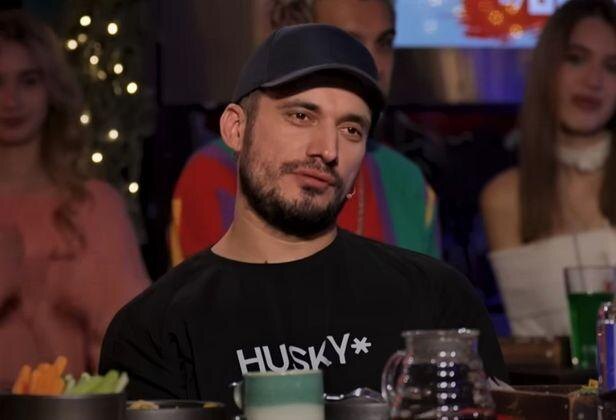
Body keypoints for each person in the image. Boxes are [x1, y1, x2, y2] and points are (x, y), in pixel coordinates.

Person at [100, 24, 506, 411]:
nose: (327, 149)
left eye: (351, 130)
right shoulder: (155, 329)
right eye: (301, 116)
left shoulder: (436, 301)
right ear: (236, 128)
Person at [169, 0, 439, 266]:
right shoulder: (215, 172)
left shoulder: (409, 184)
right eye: (348, 42)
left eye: (384, 43)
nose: (375, 64)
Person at [0, 10, 149, 389]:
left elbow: (140, 347)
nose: (11, 100)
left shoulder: (95, 207)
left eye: (28, 81)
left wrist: (88, 305)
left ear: (50, 89)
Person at [481, 0, 616, 336]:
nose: (594, 80)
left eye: (612, 67)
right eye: (576, 59)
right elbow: (531, 345)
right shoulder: (504, 198)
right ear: (546, 68)